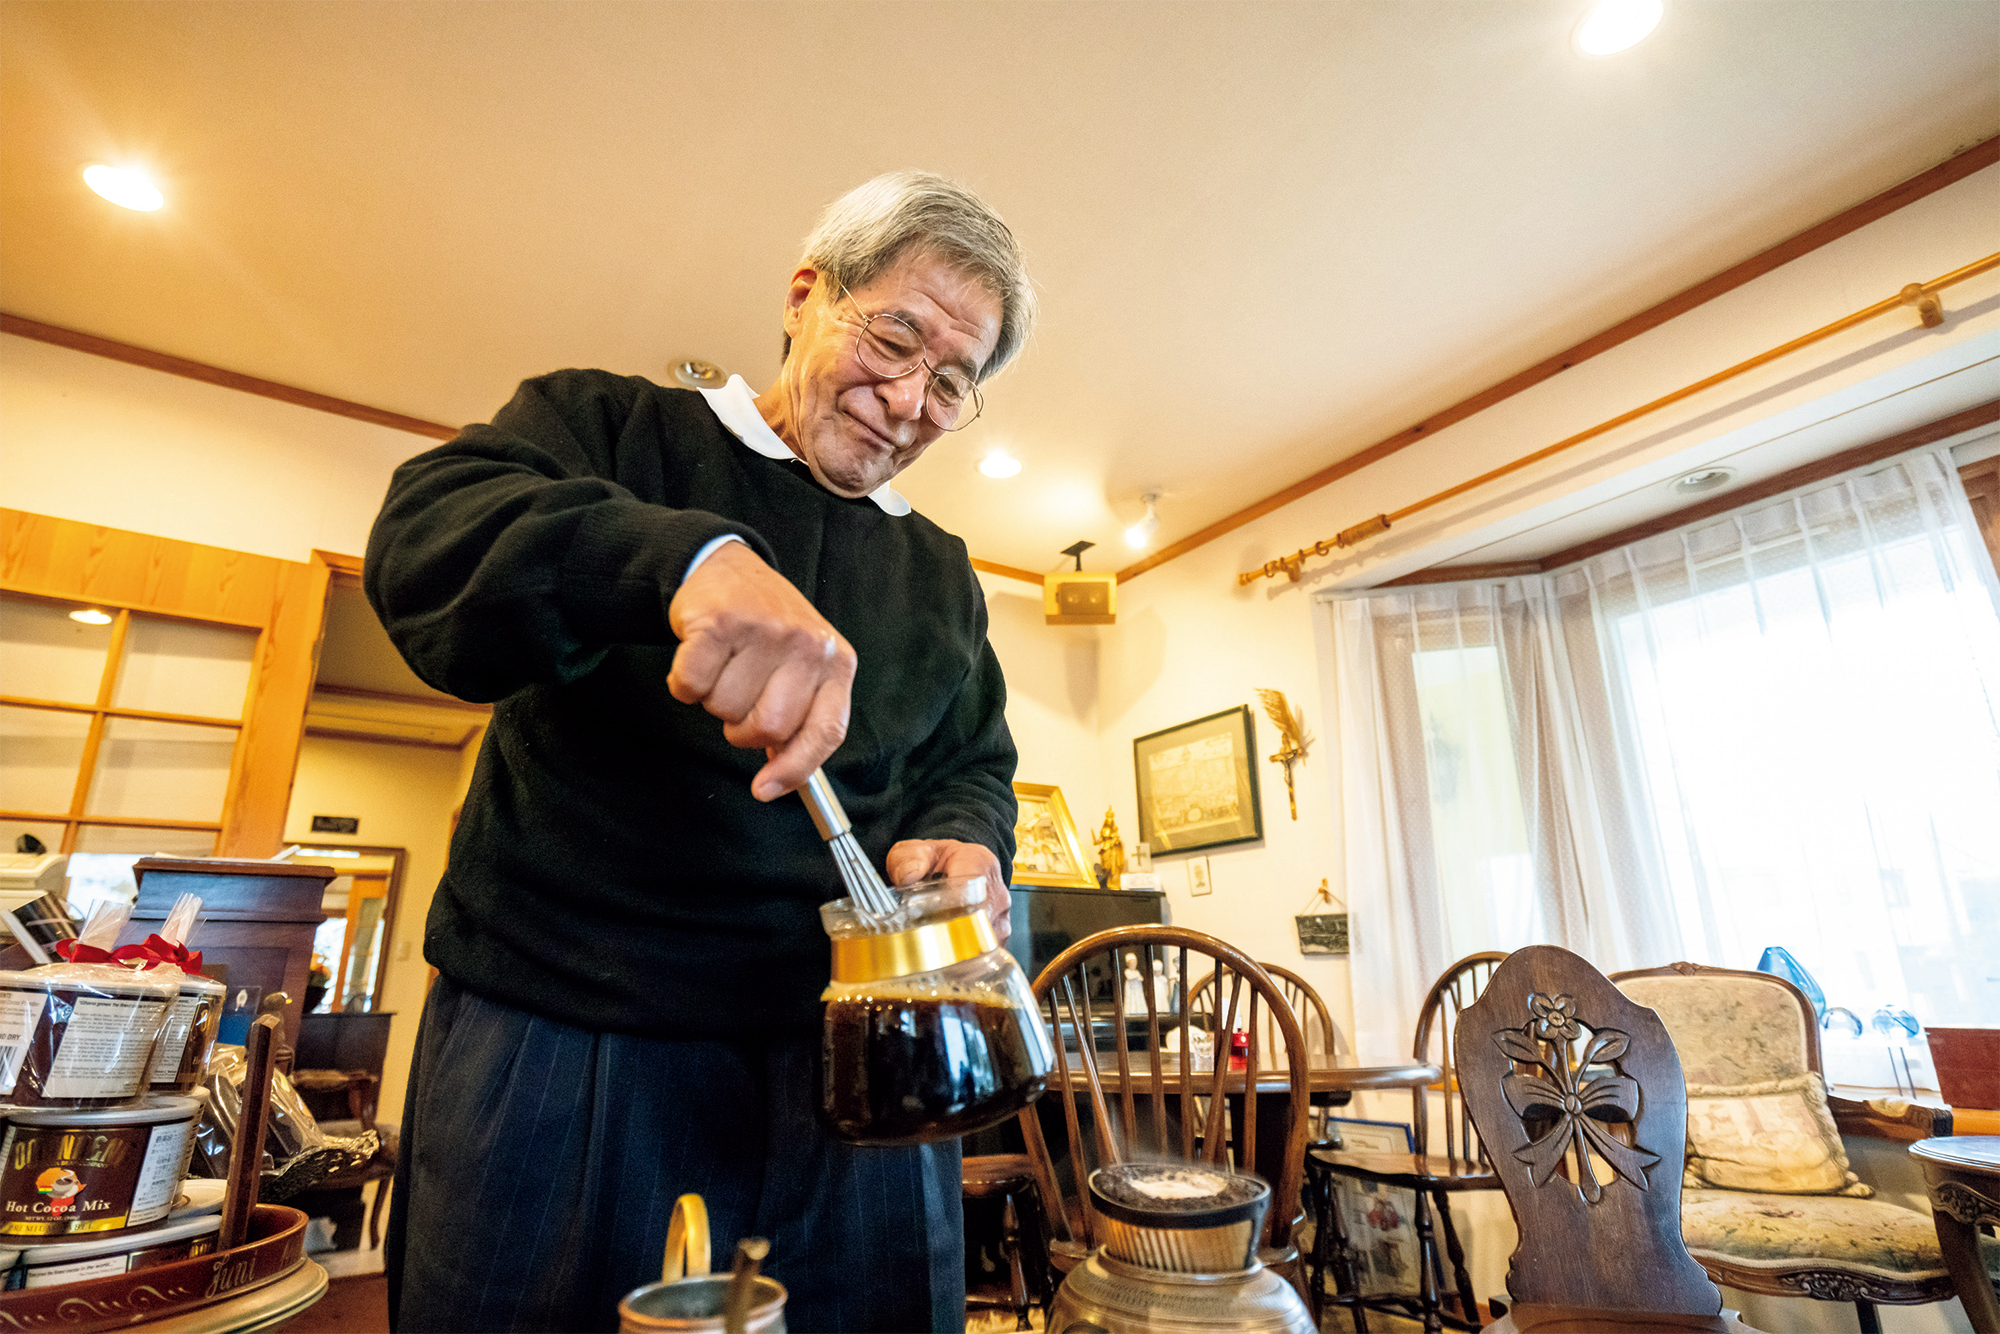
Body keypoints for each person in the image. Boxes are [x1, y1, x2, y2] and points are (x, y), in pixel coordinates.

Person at [365, 170, 1036, 1333]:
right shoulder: (615, 433)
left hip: (851, 1057)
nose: (908, 396)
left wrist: (969, 835)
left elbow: (974, 758)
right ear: (804, 295)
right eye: (894, 335)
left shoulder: (939, 571)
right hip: (568, 1033)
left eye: (950, 379)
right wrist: (681, 563)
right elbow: (424, 543)